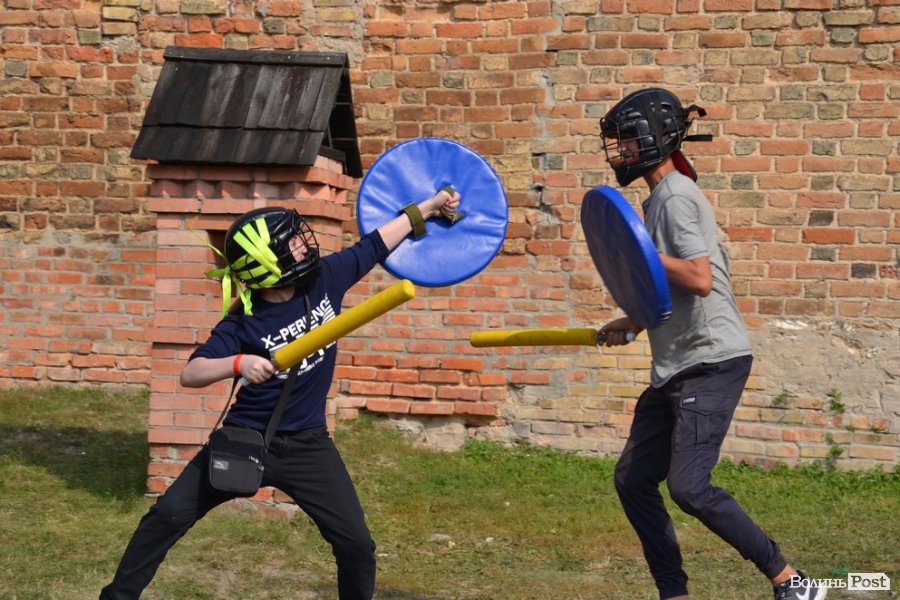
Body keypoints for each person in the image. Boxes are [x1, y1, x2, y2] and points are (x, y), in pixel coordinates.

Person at [100, 189, 459, 600]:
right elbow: (191, 373)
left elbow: (374, 244)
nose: (303, 245)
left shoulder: (325, 278)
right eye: (291, 242)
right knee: (165, 517)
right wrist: (238, 363)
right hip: (246, 439)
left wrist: (430, 206)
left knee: (356, 544)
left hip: (309, 445)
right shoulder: (244, 319)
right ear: (266, 262)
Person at [596, 88, 826, 600]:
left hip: (711, 361)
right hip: (675, 365)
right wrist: (634, 320)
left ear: (655, 138)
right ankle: (673, 593)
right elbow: (669, 286)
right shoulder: (659, 198)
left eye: (627, 139)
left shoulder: (676, 195)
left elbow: (699, 279)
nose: (620, 150)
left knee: (689, 486)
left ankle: (791, 581)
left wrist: (640, 259)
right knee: (633, 479)